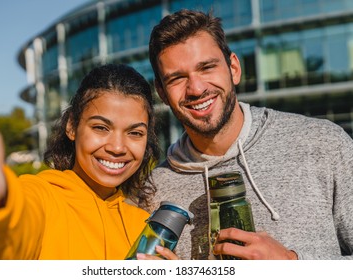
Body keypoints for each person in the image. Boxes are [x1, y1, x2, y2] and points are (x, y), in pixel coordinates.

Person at [146, 9, 353, 260]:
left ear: (233, 68)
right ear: (161, 92)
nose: (196, 88)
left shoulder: (323, 143)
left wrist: (293, 265)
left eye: (207, 67)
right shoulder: (152, 192)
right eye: (177, 78)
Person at [0, 64, 165, 260]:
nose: (118, 147)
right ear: (71, 126)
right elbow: (10, 239)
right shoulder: (41, 197)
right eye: (101, 128)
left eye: (135, 133)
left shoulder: (144, 227)